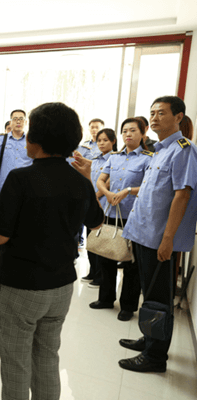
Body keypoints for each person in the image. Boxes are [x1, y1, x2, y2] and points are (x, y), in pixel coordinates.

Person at [0, 102, 104, 400]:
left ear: (35, 139)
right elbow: (95, 221)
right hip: (61, 286)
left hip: (20, 285)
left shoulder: (20, 178)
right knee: (48, 357)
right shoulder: (80, 181)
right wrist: (87, 179)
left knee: (16, 363)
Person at [119, 96, 197, 373]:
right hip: (144, 234)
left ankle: (155, 357)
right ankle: (149, 338)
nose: (154, 118)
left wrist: (168, 238)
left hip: (159, 239)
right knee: (149, 294)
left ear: (178, 117)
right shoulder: (159, 150)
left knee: (159, 299)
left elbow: (182, 195)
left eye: (161, 113)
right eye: (152, 113)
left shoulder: (183, 149)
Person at [90, 118, 151, 321]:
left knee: (131, 263)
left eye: (133, 130)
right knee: (106, 255)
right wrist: (107, 193)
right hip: (111, 213)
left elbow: (149, 187)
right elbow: (101, 180)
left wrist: (127, 191)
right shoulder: (114, 158)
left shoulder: (148, 159)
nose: (128, 134)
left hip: (134, 217)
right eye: (125, 131)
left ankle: (128, 306)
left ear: (143, 133)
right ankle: (106, 299)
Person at [73, 128, 116, 288]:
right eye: (99, 141)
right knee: (91, 241)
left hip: (104, 205)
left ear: (113, 141)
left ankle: (100, 276)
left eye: (105, 140)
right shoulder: (97, 159)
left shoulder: (115, 159)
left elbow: (108, 183)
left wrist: (94, 195)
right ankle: (92, 271)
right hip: (93, 204)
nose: (101, 143)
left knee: (101, 244)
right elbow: (89, 166)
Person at [0, 109, 33, 269]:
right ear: (10, 121)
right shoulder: (1, 140)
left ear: (25, 122)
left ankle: (18, 261)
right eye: (15, 119)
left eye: (21, 119)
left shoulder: (31, 140)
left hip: (26, 192)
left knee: (22, 227)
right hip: (4, 190)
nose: (18, 121)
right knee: (2, 225)